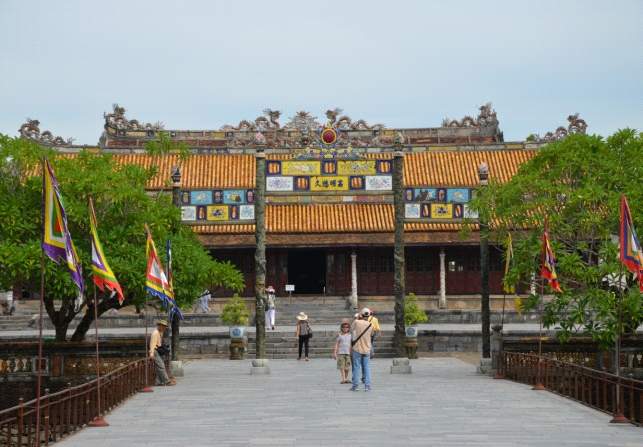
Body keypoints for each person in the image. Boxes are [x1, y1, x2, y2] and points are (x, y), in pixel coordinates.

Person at [350, 308, 373, 391]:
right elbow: (372, 334)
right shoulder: (370, 324)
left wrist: (357, 318)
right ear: (368, 315)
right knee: (367, 367)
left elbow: (351, 330)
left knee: (356, 367)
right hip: (367, 348)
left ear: (361, 315)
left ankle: (355, 386)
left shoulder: (356, 322)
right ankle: (367, 386)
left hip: (357, 348)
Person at [149, 319, 175, 386]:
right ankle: (167, 381)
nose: (164, 328)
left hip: (158, 350)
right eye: (163, 326)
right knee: (161, 366)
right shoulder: (155, 333)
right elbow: (152, 344)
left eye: (165, 326)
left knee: (159, 367)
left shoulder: (160, 332)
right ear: (159, 326)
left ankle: (158, 381)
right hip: (155, 351)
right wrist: (151, 353)